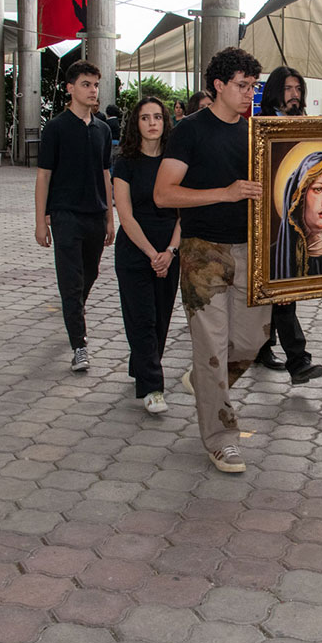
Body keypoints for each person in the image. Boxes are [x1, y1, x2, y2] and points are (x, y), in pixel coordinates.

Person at [154, 47, 271, 474]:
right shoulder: (189, 131)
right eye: (242, 86)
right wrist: (225, 192)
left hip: (252, 252)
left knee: (252, 341)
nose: (249, 95)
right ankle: (221, 439)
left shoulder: (258, 133)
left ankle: (204, 380)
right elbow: (164, 193)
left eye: (253, 87)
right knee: (211, 350)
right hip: (203, 252)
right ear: (218, 85)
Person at [35, 61, 115, 372]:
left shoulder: (103, 130)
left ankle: (74, 311)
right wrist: (41, 220)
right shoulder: (55, 128)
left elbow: (106, 175)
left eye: (95, 84)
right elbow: (43, 176)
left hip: (96, 214)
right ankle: (79, 344)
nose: (93, 90)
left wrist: (110, 218)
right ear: (69, 88)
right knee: (71, 281)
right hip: (65, 215)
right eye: (86, 84)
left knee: (89, 274)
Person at [253, 65, 322, 384]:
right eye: (288, 89)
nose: (295, 95)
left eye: (299, 89)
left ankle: (262, 347)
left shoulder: (306, 126)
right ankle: (298, 360)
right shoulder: (260, 126)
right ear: (274, 92)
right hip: (266, 220)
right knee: (283, 289)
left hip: (296, 220)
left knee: (283, 288)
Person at [112, 97, 181, 413]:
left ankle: (141, 363)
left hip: (169, 249)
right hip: (135, 250)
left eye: (158, 117)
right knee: (142, 318)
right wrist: (152, 254)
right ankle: (152, 387)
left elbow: (184, 213)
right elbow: (125, 216)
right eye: (145, 118)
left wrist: (169, 251)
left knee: (161, 319)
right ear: (135, 124)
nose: (153, 123)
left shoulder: (176, 163)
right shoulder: (125, 163)